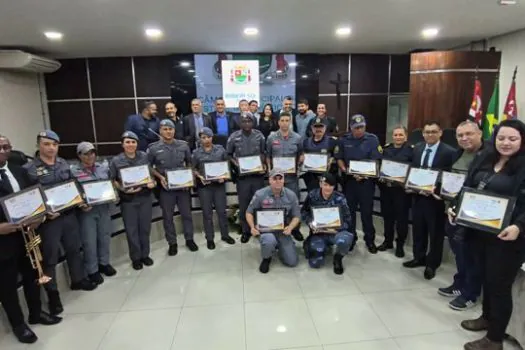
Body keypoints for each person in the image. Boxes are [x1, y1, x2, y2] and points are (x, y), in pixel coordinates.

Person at [450, 119, 525, 350]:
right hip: (479, 231)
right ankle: (487, 318)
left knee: (499, 286)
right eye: (501, 138)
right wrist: (455, 206)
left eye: (512, 139)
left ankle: (494, 339)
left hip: (508, 238)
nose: (506, 143)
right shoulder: (484, 157)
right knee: (485, 278)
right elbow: (468, 188)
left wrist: (519, 226)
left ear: (522, 140)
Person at [24, 130, 97, 316]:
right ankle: (53, 294)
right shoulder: (30, 169)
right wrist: (44, 214)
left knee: (74, 249)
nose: (51, 148)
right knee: (50, 258)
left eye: (54, 144)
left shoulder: (63, 163)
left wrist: (81, 200)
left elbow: (72, 185)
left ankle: (78, 279)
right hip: (48, 221)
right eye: (47, 144)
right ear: (39, 145)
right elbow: (29, 198)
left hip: (69, 215)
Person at [0, 135, 62, 344]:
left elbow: (33, 197)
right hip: (3, 241)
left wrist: (39, 216)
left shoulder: (20, 171)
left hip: (27, 235)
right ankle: (19, 325)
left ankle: (36, 313)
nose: (3, 150)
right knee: (7, 286)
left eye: (6, 146)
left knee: (32, 275)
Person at [438, 120, 484, 311]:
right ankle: (460, 283)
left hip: (474, 216)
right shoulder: (457, 154)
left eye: (469, 134)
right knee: (459, 253)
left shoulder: (488, 157)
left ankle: (470, 293)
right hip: (453, 212)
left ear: (479, 134)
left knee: (472, 255)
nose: (464, 138)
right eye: (460, 135)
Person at [403, 120, 456, 280]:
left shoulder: (450, 152)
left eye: (433, 131)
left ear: (440, 133)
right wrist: (410, 185)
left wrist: (435, 190)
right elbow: (413, 169)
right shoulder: (418, 148)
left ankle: (432, 264)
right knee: (419, 229)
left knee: (435, 233)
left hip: (436, 200)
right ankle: (419, 257)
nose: (430, 135)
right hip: (417, 196)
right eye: (427, 132)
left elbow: (450, 177)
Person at [148, 119, 197, 255]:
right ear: (160, 131)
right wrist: (160, 177)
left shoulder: (183, 146)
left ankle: (189, 239)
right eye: (165, 129)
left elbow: (189, 163)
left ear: (174, 130)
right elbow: (149, 167)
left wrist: (189, 178)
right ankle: (172, 243)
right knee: (168, 217)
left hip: (183, 188)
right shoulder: (153, 148)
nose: (168, 132)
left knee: (187, 215)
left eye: (170, 129)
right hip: (166, 189)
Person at [71, 142, 117, 285]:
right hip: (87, 211)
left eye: (92, 153)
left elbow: (110, 184)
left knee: (104, 236)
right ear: (79, 156)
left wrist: (114, 194)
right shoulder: (73, 171)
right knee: (89, 241)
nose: (90, 156)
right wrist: (80, 204)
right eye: (85, 153)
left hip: (103, 207)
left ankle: (104, 263)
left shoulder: (102, 168)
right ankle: (92, 270)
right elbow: (72, 192)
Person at [110, 131, 156, 270]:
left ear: (137, 143)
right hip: (128, 200)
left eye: (133, 142)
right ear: (122, 144)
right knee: (132, 230)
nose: (130, 145)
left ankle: (145, 255)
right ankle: (136, 258)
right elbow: (113, 180)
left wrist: (152, 182)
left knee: (145, 228)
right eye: (127, 142)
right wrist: (123, 189)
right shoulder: (116, 161)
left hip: (145, 198)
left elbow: (150, 174)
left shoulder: (144, 156)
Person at [336, 114, 382, 253]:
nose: (359, 130)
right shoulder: (344, 140)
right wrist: (346, 171)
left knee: (366, 213)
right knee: (349, 213)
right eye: (356, 128)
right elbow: (339, 159)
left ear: (365, 126)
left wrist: (364, 174)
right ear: (351, 128)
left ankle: (370, 240)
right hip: (349, 182)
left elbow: (376, 161)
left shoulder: (373, 140)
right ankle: (351, 239)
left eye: (361, 127)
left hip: (366, 183)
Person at [245, 168, 300, 273]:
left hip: (283, 231)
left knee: (292, 262)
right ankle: (266, 258)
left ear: (284, 180)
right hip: (266, 231)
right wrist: (252, 227)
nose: (278, 181)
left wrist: (291, 227)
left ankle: (281, 246)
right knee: (269, 240)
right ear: (270, 180)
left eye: (280, 178)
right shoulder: (260, 194)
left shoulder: (291, 195)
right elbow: (249, 212)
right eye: (275, 178)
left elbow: (296, 215)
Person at [301, 173, 354, 274]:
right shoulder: (312, 195)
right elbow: (304, 212)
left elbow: (348, 219)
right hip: (319, 233)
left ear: (334, 186)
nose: (328, 188)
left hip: (336, 232)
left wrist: (337, 228)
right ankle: (311, 245)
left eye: (330, 185)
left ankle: (338, 258)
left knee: (345, 239)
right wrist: (310, 223)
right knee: (315, 263)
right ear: (320, 184)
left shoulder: (340, 198)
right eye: (325, 184)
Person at [192, 127, 235, 249]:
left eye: (208, 137)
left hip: (219, 186)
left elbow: (227, 165)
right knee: (207, 214)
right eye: (203, 137)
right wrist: (200, 176)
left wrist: (225, 177)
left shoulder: (220, 150)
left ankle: (225, 235)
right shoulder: (196, 153)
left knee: (222, 211)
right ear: (200, 139)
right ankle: (209, 238)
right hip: (204, 187)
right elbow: (192, 168)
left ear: (212, 137)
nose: (206, 140)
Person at [226, 113, 266, 243]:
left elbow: (263, 153)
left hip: (257, 177)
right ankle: (246, 231)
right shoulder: (234, 137)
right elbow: (228, 154)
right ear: (240, 123)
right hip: (243, 178)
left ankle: (259, 228)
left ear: (253, 122)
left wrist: (263, 164)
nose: (247, 123)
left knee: (259, 204)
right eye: (244, 121)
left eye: (249, 121)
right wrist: (236, 163)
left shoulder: (259, 136)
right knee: (244, 205)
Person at [266, 112, 305, 241]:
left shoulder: (297, 138)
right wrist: (269, 171)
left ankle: (295, 229)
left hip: (291, 178)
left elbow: (301, 154)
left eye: (287, 120)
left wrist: (300, 161)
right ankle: (277, 227)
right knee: (276, 204)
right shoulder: (271, 138)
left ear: (290, 122)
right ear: (278, 122)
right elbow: (268, 156)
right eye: (282, 120)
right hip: (276, 179)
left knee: (294, 203)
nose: (284, 122)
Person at [378, 126, 413, 258]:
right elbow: (380, 166)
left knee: (401, 219)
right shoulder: (386, 149)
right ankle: (388, 241)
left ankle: (400, 245)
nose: (398, 137)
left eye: (401, 135)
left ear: (406, 136)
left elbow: (413, 170)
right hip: (386, 189)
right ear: (392, 136)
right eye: (396, 135)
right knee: (387, 217)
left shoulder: (411, 151)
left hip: (401, 192)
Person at [302, 118, 337, 192]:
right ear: (312, 128)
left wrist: (332, 160)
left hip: (327, 177)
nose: (318, 129)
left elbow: (338, 157)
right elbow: (302, 157)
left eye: (321, 127)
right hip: (311, 177)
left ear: (325, 128)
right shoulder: (306, 142)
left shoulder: (332, 141)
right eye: (316, 127)